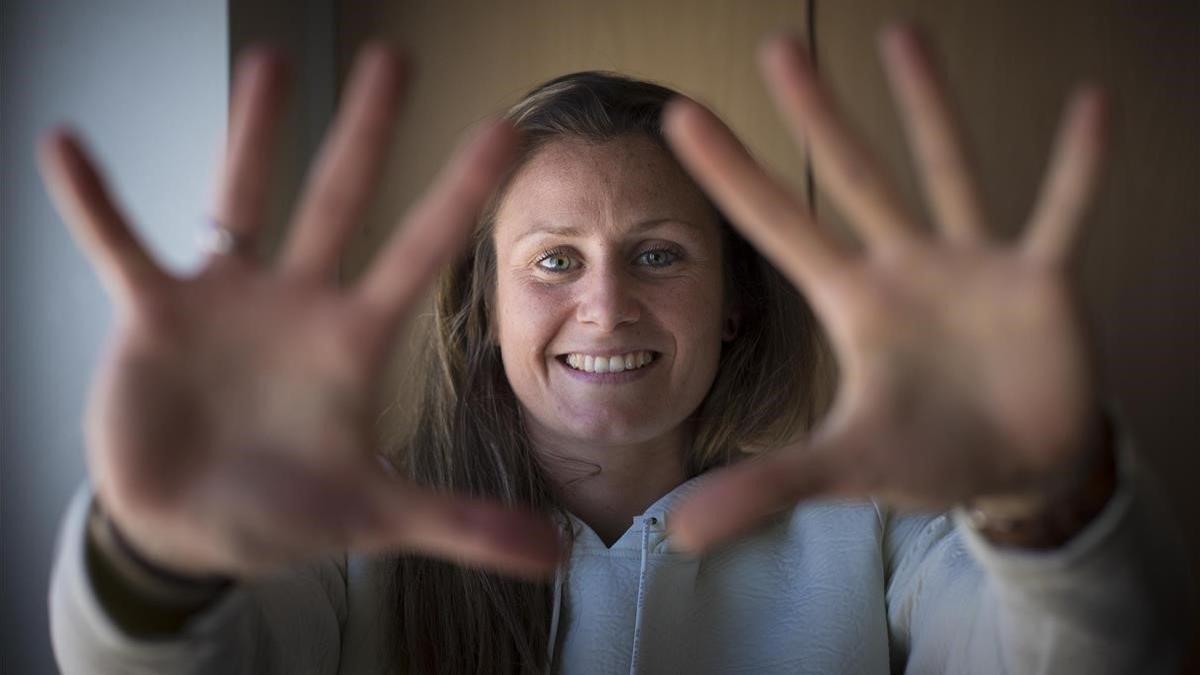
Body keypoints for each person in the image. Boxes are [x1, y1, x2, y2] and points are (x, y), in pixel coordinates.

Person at [42, 23, 1189, 674]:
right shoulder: (346, 538)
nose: (605, 309)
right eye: (553, 261)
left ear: (737, 300)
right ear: (482, 308)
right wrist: (152, 565)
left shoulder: (883, 539)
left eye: (657, 256)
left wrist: (1054, 508)